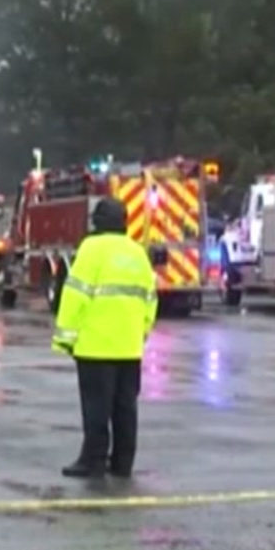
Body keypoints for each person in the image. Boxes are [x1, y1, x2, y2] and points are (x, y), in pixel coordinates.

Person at [50, 195, 157, 478]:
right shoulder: (137, 253)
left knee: (97, 407)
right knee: (125, 409)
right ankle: (123, 463)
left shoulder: (91, 249)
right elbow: (150, 299)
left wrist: (65, 337)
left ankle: (93, 460)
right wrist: (141, 333)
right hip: (129, 348)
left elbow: (75, 296)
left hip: (95, 346)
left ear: (97, 223)